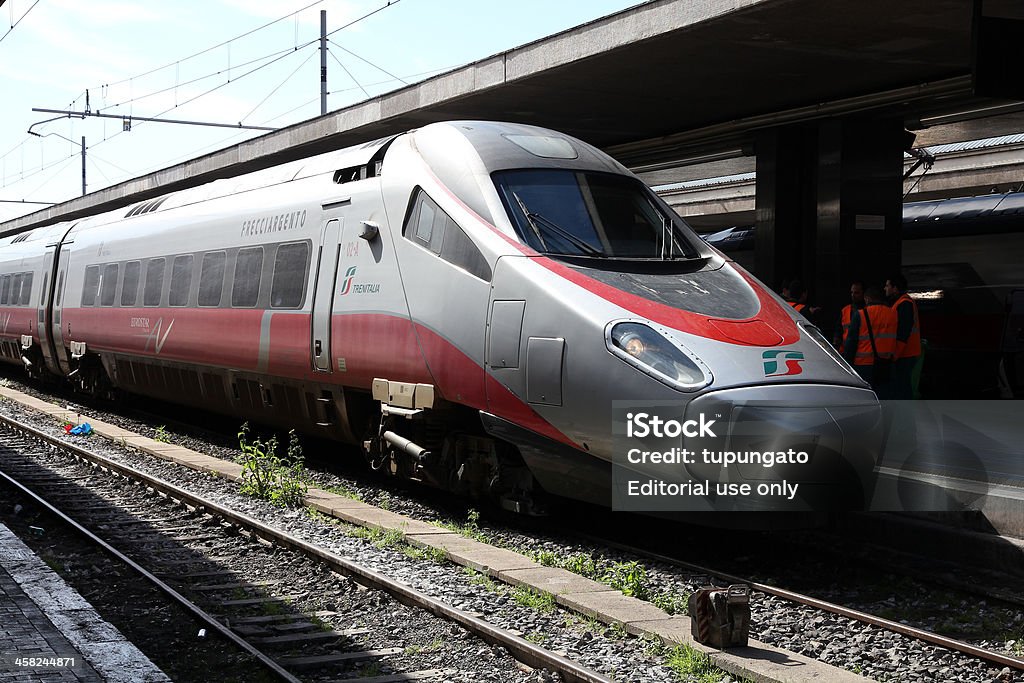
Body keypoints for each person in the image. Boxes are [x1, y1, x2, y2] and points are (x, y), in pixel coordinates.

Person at [842, 286, 896, 390]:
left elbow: (851, 343)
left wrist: (847, 363)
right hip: (887, 364)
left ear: (867, 299)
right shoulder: (893, 313)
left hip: (863, 364)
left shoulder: (861, 314)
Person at [885, 274, 922, 399]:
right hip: (907, 352)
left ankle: (905, 416)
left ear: (895, 288)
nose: (885, 288)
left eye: (887, 285)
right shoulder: (902, 302)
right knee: (903, 387)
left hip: (905, 353)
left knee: (902, 388)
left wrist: (894, 355)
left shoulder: (904, 304)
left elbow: (902, 333)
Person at [834, 281, 865, 349]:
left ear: (863, 294)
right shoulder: (845, 310)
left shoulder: (868, 311)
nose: (853, 295)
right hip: (845, 351)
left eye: (856, 293)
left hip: (862, 350)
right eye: (852, 292)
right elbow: (838, 331)